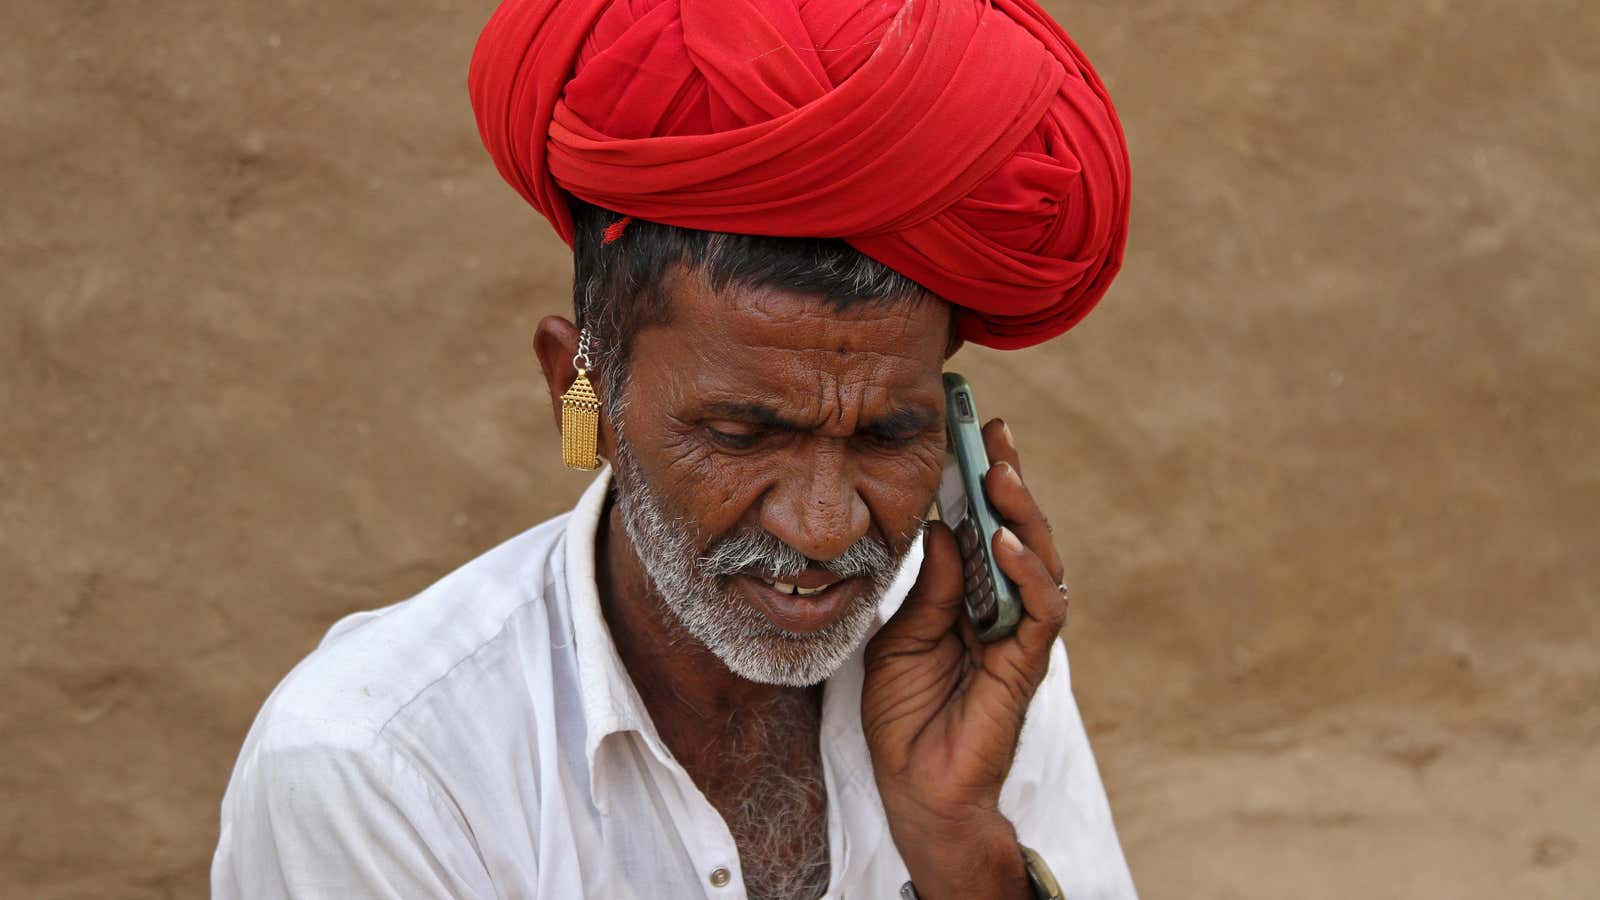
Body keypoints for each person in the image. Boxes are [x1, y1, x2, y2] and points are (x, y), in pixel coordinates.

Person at [212, 0, 1134, 897]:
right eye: (741, 434)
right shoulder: (377, 768)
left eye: (890, 436)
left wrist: (959, 846)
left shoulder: (967, 673)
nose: (821, 528)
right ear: (583, 386)